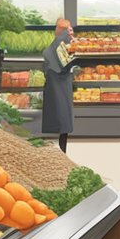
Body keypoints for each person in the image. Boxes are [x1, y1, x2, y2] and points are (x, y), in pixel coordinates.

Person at [40, 18, 76, 151]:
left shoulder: (57, 44)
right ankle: (60, 151)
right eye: (70, 29)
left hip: (57, 84)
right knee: (62, 120)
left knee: (60, 120)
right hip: (59, 86)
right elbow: (64, 64)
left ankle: (59, 149)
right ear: (64, 31)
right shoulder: (61, 44)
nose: (72, 32)